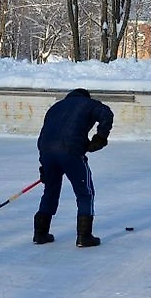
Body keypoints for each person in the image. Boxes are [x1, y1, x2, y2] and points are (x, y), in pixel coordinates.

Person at [33, 88, 114, 247]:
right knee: (85, 192)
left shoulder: (55, 108)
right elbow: (107, 114)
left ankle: (40, 233)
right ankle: (84, 237)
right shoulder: (88, 103)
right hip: (71, 151)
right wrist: (101, 137)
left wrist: (44, 166)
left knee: (50, 190)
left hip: (47, 151)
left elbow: (45, 136)